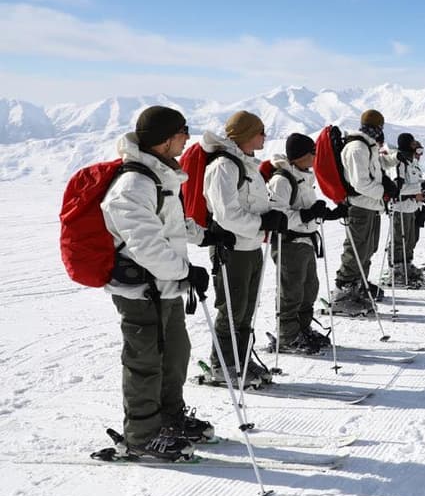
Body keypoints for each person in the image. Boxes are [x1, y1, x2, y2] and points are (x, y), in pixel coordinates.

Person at [100, 106, 218, 461]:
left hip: (164, 286)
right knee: (145, 362)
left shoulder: (161, 176)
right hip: (141, 291)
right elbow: (146, 245)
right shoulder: (134, 184)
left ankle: (168, 418)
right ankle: (142, 434)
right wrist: (185, 271)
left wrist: (207, 235)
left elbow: (171, 225)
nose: (188, 137)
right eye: (183, 130)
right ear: (166, 139)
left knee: (175, 355)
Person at [201, 110, 286, 386]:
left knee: (246, 309)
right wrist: (262, 223)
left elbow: (254, 203)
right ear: (247, 134)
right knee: (232, 309)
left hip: (251, 246)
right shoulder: (223, 167)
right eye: (261, 132)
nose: (265, 136)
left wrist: (273, 215)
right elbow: (226, 214)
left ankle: (241, 360)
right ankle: (223, 365)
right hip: (232, 248)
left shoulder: (247, 165)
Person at [266, 133, 345, 353]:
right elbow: (277, 216)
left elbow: (306, 208)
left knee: (309, 289)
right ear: (301, 155)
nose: (315, 156)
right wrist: (308, 214)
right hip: (289, 243)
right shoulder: (282, 180)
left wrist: (328, 214)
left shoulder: (303, 177)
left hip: (305, 241)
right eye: (313, 152)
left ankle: (302, 328)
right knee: (291, 291)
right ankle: (287, 336)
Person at [333, 109, 396, 315]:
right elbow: (360, 183)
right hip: (360, 206)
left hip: (371, 205)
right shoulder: (357, 147)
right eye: (380, 127)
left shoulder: (368, 146)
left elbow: (374, 174)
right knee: (356, 249)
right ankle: (343, 293)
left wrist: (385, 186)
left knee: (368, 249)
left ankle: (358, 285)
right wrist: (384, 192)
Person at [387, 133, 425, 286]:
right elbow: (398, 188)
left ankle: (406, 265)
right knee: (399, 239)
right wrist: (421, 186)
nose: (416, 147)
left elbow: (414, 183)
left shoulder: (412, 163)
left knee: (410, 240)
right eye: (414, 143)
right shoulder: (399, 163)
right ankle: (396, 270)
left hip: (411, 207)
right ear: (407, 144)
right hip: (400, 207)